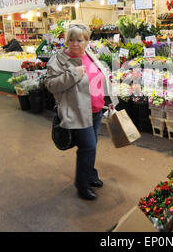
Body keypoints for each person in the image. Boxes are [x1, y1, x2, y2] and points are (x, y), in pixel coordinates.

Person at [45, 24, 119, 200]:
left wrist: (109, 100)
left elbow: (101, 79)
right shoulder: (59, 60)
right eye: (71, 39)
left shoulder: (90, 55)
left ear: (87, 41)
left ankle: (90, 175)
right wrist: (73, 73)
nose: (75, 44)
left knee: (91, 147)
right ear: (66, 40)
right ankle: (82, 184)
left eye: (79, 40)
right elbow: (51, 85)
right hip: (77, 112)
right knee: (88, 147)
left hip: (96, 111)